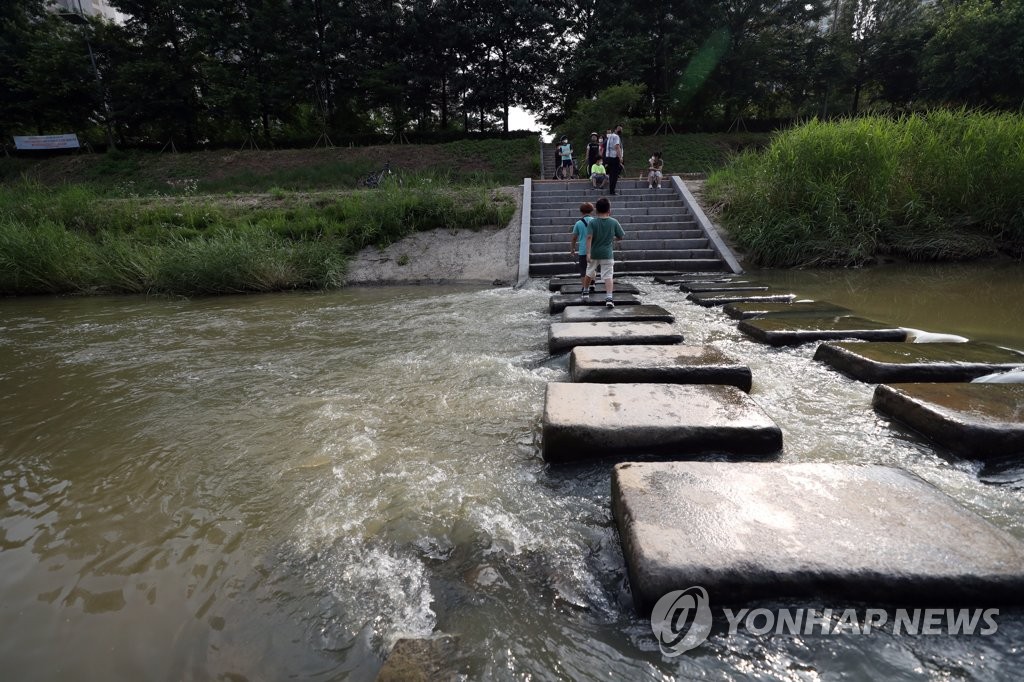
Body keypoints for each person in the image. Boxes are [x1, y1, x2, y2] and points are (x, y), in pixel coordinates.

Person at [582, 197, 625, 307]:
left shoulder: (592, 222)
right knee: (608, 276)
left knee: (589, 272)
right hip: (607, 254)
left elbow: (589, 237)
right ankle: (609, 297)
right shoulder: (614, 222)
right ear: (609, 210)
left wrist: (588, 253)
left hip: (594, 253)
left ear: (596, 211)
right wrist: (612, 239)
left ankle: (585, 291)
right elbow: (620, 237)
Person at [570, 202, 595, 299]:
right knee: (593, 267)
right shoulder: (595, 221)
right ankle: (592, 284)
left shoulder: (578, 223)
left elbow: (574, 238)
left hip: (583, 250)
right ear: (592, 211)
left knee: (583, 270)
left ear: (581, 211)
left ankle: (584, 288)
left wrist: (572, 248)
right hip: (594, 249)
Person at [604, 124, 623, 195]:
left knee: (611, 174)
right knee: (614, 175)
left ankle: (611, 190)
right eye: (619, 129)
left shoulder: (610, 136)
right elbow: (617, 147)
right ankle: (612, 191)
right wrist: (620, 157)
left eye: (621, 129)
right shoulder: (616, 136)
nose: (620, 130)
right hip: (614, 158)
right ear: (615, 129)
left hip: (608, 158)